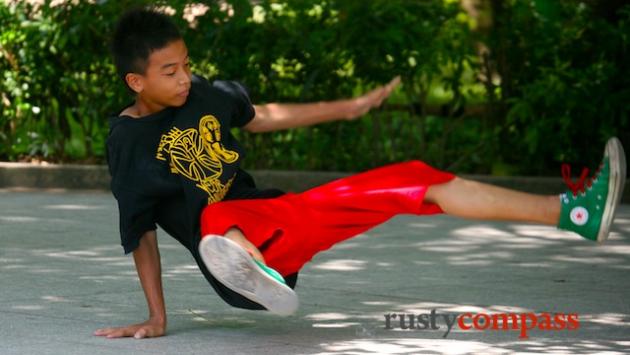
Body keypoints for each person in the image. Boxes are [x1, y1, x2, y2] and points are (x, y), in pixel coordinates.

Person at [95, 8, 627, 339]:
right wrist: (156, 317)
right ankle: (245, 263)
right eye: (171, 71)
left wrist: (346, 107)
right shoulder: (128, 142)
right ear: (135, 81)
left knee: (417, 178)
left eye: (187, 63)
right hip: (226, 252)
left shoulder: (204, 93)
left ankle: (573, 212)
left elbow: (265, 116)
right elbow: (140, 230)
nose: (186, 77)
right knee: (218, 214)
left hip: (284, 223)